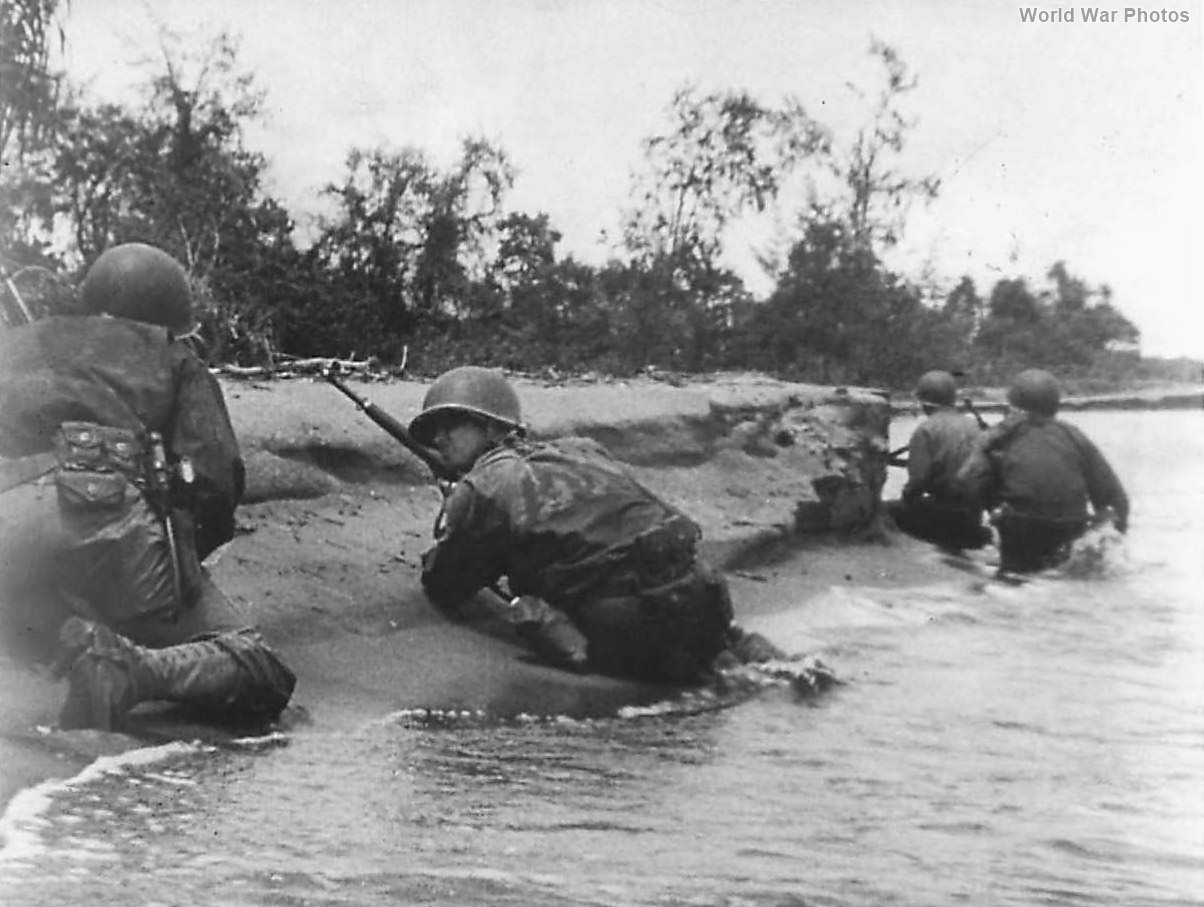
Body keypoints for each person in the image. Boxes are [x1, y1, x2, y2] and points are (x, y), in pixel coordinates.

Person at [0, 242, 295, 731]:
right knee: (259, 665)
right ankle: (132, 671)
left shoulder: (14, 343)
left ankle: (60, 637)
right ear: (169, 315)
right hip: (107, 514)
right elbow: (215, 480)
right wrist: (179, 565)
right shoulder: (175, 358)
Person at [412, 366, 783, 684]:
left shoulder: (483, 486)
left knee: (535, 614)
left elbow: (444, 584)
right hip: (706, 597)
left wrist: (455, 507)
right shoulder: (581, 450)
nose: (439, 439)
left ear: (492, 429)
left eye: (451, 425)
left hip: (634, 622)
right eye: (432, 434)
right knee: (727, 662)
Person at [956, 368, 1129, 573]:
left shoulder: (998, 436)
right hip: (1072, 529)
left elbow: (966, 485)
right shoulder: (1075, 436)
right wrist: (1106, 540)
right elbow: (1116, 500)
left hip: (1021, 530)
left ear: (1012, 406)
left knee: (1015, 580)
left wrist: (989, 519)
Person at [887, 370, 990, 551]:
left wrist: (906, 502)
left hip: (944, 518)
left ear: (924, 403)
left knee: (885, 512)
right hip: (974, 517)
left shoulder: (926, 430)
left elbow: (917, 482)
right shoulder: (974, 426)